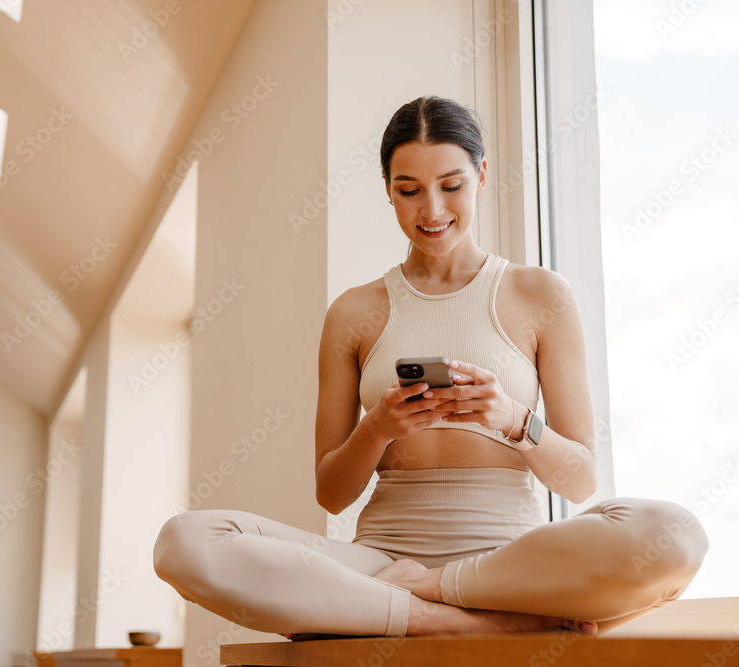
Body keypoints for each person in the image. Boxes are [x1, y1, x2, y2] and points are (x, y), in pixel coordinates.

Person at [153, 95, 709, 638]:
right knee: (187, 541)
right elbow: (332, 493)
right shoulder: (353, 311)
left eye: (451, 186)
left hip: (511, 565)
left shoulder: (540, 295)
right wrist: (379, 427)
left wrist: (514, 420)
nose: (433, 211)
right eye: (409, 191)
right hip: (380, 565)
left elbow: (581, 479)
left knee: (677, 535)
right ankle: (451, 620)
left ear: (482, 176)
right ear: (388, 192)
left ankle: (429, 594)